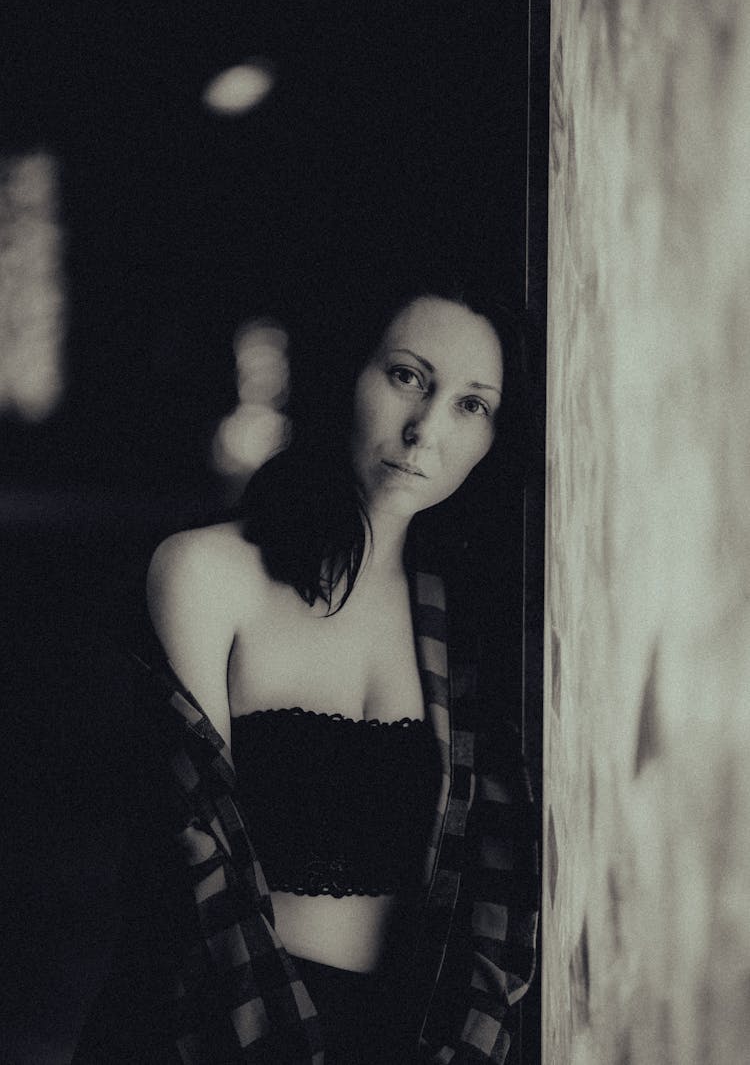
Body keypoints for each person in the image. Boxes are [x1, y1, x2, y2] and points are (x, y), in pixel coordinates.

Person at [73, 286, 538, 1064]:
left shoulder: (472, 632)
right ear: (347, 373)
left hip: (394, 1040)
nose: (424, 429)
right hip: (211, 1029)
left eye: (471, 405)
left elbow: (499, 895)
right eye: (407, 376)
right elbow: (195, 865)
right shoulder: (203, 574)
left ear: (496, 438)